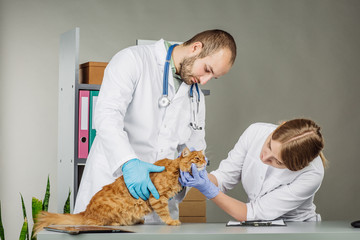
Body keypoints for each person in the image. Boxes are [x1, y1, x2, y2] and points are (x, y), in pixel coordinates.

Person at [74, 30, 237, 223]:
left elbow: (193, 145)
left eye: (213, 77)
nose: (204, 81)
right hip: (112, 192)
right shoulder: (133, 60)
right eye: (207, 70)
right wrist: (128, 163)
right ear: (196, 48)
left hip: (157, 206)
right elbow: (106, 117)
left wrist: (192, 172)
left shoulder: (196, 97)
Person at [180, 118, 327, 222]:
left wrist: (208, 190)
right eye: (269, 145)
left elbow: (252, 212)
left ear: (297, 167)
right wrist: (198, 174)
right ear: (279, 127)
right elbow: (222, 179)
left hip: (297, 228)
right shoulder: (255, 132)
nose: (265, 158)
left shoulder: (312, 174)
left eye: (277, 161)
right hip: (257, 226)